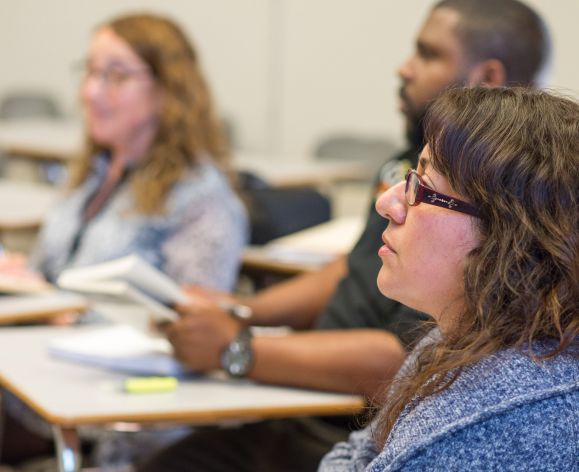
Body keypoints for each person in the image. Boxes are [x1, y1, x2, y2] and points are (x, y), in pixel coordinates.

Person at [139, 1, 552, 471]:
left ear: (488, 75)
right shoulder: (415, 164)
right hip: (324, 420)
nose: (405, 67)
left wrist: (239, 347)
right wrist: (243, 310)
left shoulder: (481, 211)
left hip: (342, 417)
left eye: (428, 54)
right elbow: (357, 263)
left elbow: (397, 359)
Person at [1, 12, 247, 469]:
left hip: (101, 408)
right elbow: (54, 277)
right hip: (33, 376)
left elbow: (188, 333)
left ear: (168, 91)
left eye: (115, 76)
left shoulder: (201, 199)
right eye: (91, 72)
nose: (91, 91)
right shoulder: (94, 175)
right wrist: (22, 280)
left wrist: (61, 312)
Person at [319, 86, 578, 471]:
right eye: (412, 175)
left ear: (508, 237)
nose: (386, 202)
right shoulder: (453, 339)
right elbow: (356, 452)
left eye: (423, 189)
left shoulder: (485, 427)